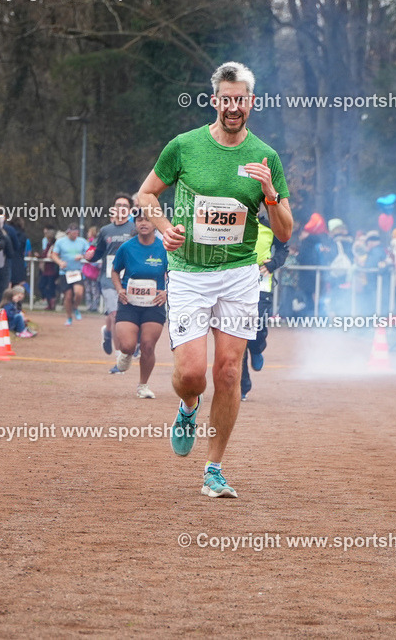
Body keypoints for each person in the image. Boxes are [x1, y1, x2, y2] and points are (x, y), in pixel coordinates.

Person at [136, 61, 293, 499]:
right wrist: (163, 227)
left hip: (239, 274)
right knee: (192, 375)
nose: (233, 107)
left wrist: (271, 195)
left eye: (240, 99)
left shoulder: (266, 157)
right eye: (226, 100)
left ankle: (214, 468)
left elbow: (285, 232)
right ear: (215, 101)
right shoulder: (184, 146)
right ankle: (188, 407)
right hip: (189, 273)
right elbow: (145, 194)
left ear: (251, 102)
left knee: (227, 371)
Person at [110, 209, 168, 399]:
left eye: (148, 220)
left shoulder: (164, 248)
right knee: (127, 345)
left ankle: (143, 386)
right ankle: (125, 354)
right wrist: (119, 289)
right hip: (129, 303)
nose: (143, 223)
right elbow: (115, 271)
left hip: (154, 304)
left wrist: (167, 292)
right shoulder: (127, 247)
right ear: (135, 223)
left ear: (155, 224)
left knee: (148, 346)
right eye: (139, 220)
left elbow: (175, 274)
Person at [240, 215, 289, 401]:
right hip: (235, 284)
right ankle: (242, 385)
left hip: (261, 283)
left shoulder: (270, 224)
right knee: (238, 335)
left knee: (257, 325)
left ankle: (257, 347)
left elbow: (283, 248)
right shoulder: (233, 221)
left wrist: (273, 264)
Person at [86, 193, 136, 357]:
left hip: (129, 279)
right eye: (118, 205)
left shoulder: (135, 229)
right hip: (108, 279)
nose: (121, 208)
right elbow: (96, 250)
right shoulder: (105, 230)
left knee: (129, 315)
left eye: (125, 206)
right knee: (115, 315)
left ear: (130, 210)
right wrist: (90, 255)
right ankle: (119, 355)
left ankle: (109, 333)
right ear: (113, 209)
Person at [49, 223, 88, 325]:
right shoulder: (60, 242)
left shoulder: (82, 242)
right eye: (73, 233)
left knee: (79, 292)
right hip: (65, 272)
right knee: (68, 296)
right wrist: (60, 262)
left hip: (77, 271)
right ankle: (69, 317)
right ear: (68, 232)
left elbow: (89, 254)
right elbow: (54, 255)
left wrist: (82, 256)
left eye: (77, 233)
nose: (75, 235)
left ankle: (75, 307)